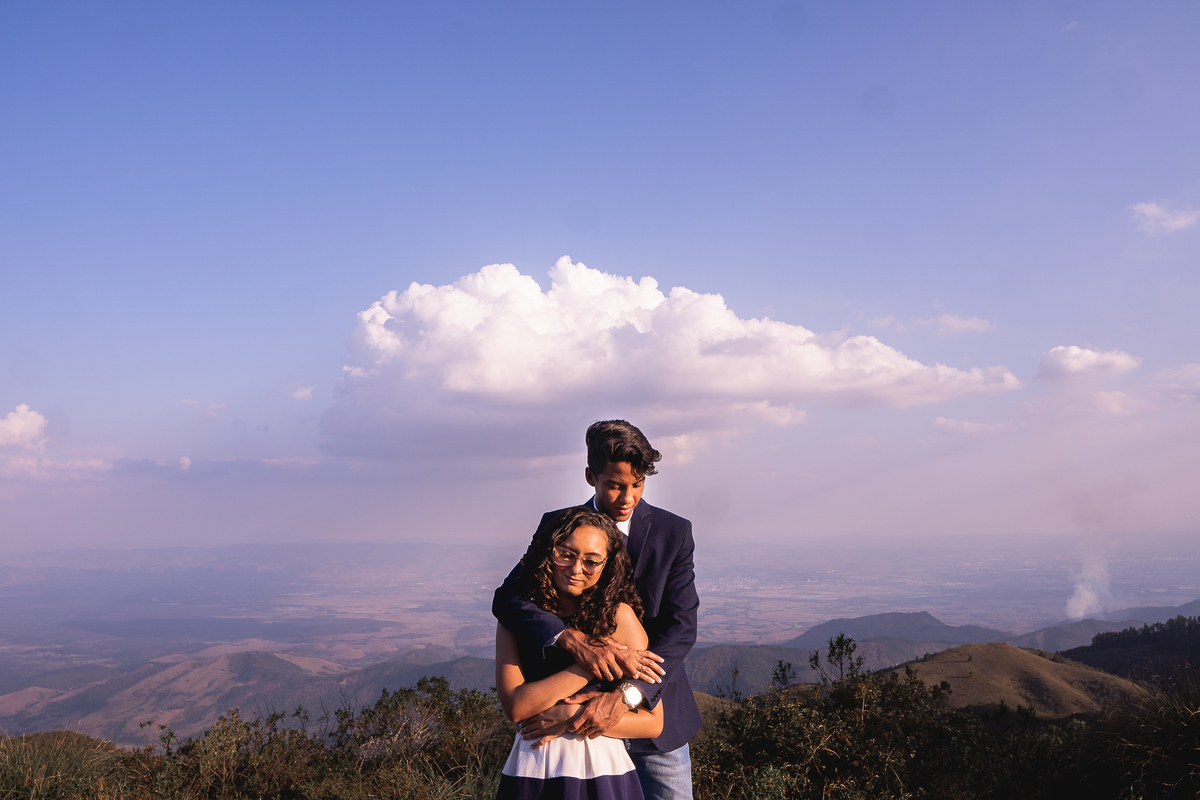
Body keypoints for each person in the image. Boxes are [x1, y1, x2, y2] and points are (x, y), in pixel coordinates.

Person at [494, 420, 702, 800]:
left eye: (638, 484)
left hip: (649, 714)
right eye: (615, 485)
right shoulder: (559, 526)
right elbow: (509, 598)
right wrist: (569, 639)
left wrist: (626, 695)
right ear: (591, 476)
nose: (627, 497)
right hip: (568, 729)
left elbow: (681, 628)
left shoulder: (674, 532)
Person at [495, 506, 663, 799]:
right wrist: (595, 661)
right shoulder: (519, 617)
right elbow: (516, 707)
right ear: (549, 553)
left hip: (603, 767)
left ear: (607, 565)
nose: (576, 569)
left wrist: (574, 714)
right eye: (566, 554)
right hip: (533, 767)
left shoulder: (621, 619)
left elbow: (653, 722)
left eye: (591, 561)